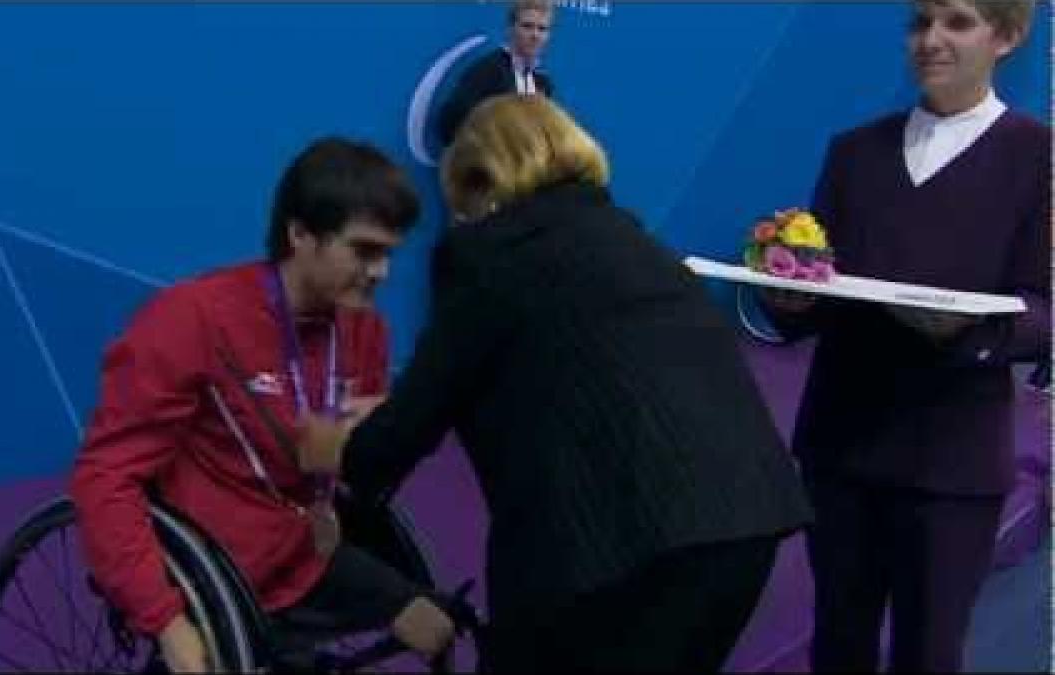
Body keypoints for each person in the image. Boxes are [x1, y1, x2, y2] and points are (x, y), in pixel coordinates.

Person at [301, 95, 812, 672]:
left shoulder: (487, 255)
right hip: (745, 522)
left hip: (617, 549)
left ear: (479, 179)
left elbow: (408, 425)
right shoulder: (631, 239)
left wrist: (337, 449)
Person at [69, 137, 456, 673]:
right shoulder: (191, 318)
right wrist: (165, 622)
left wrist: (362, 443)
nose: (382, 273)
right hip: (217, 570)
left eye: (389, 254)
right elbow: (105, 477)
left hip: (306, 553)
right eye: (364, 251)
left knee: (435, 626)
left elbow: (347, 466)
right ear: (300, 235)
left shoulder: (365, 329)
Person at [757, 0, 1051, 670]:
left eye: (956, 22)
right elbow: (820, 290)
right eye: (919, 22)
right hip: (842, 446)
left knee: (928, 653)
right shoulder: (853, 152)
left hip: (952, 462)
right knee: (839, 644)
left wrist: (976, 328)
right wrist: (790, 301)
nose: (930, 39)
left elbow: (1046, 309)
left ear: (1006, 36)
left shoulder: (1039, 158)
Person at [436, 0, 556, 147]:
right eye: (527, 26)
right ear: (510, 29)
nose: (535, 35)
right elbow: (449, 121)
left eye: (542, 29)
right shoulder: (487, 71)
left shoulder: (543, 83)